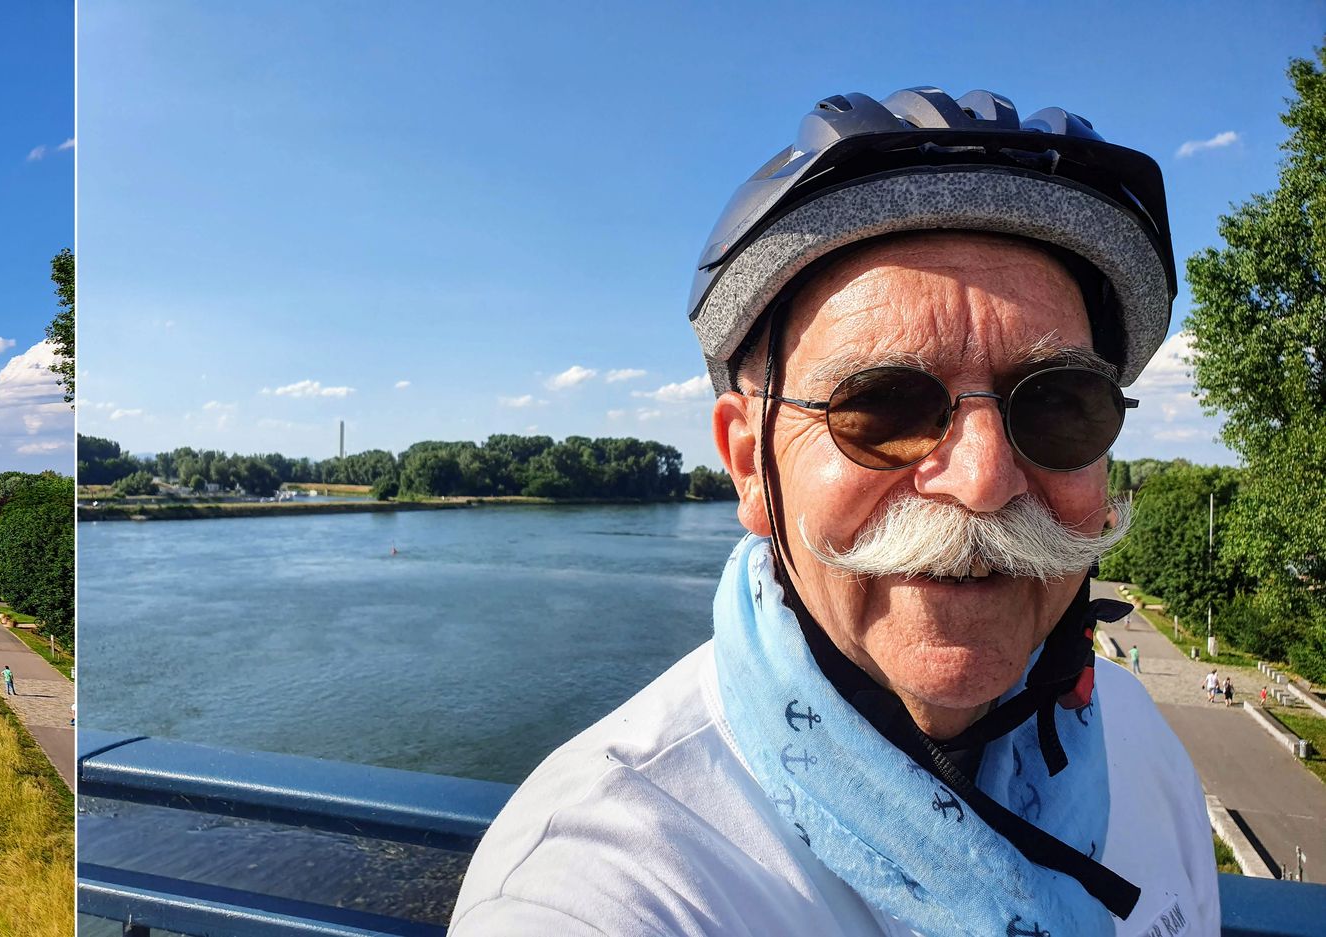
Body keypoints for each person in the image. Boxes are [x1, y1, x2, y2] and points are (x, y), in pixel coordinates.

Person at [453, 88, 1215, 936]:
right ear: (749, 464)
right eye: (883, 406)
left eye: (1058, 404)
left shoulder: (1138, 743)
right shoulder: (604, 881)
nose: (985, 478)